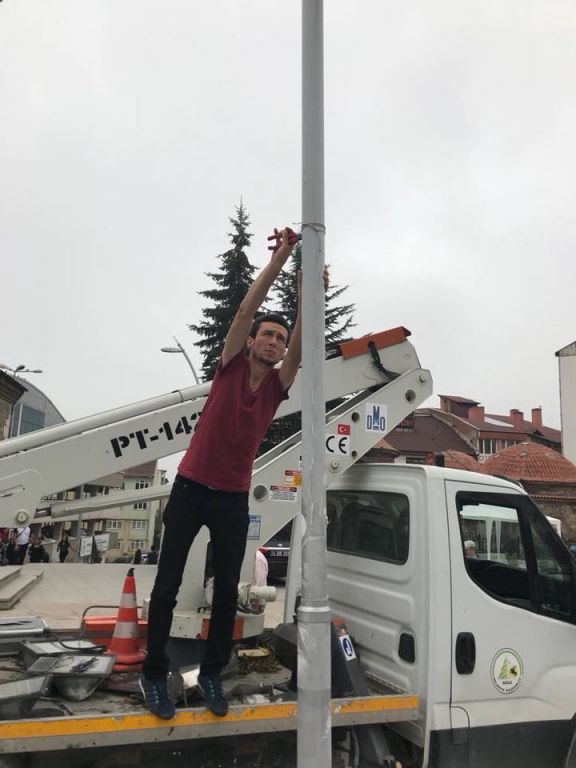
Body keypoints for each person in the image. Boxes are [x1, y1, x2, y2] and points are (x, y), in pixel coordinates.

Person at [140, 227, 322, 720]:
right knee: (168, 585)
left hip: (230, 498)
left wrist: (310, 295)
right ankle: (154, 673)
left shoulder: (277, 386)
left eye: (280, 338)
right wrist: (282, 259)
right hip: (191, 486)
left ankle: (214, 673)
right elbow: (245, 309)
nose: (274, 341)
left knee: (226, 595)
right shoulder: (229, 367)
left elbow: (305, 346)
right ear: (252, 341)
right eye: (267, 333)